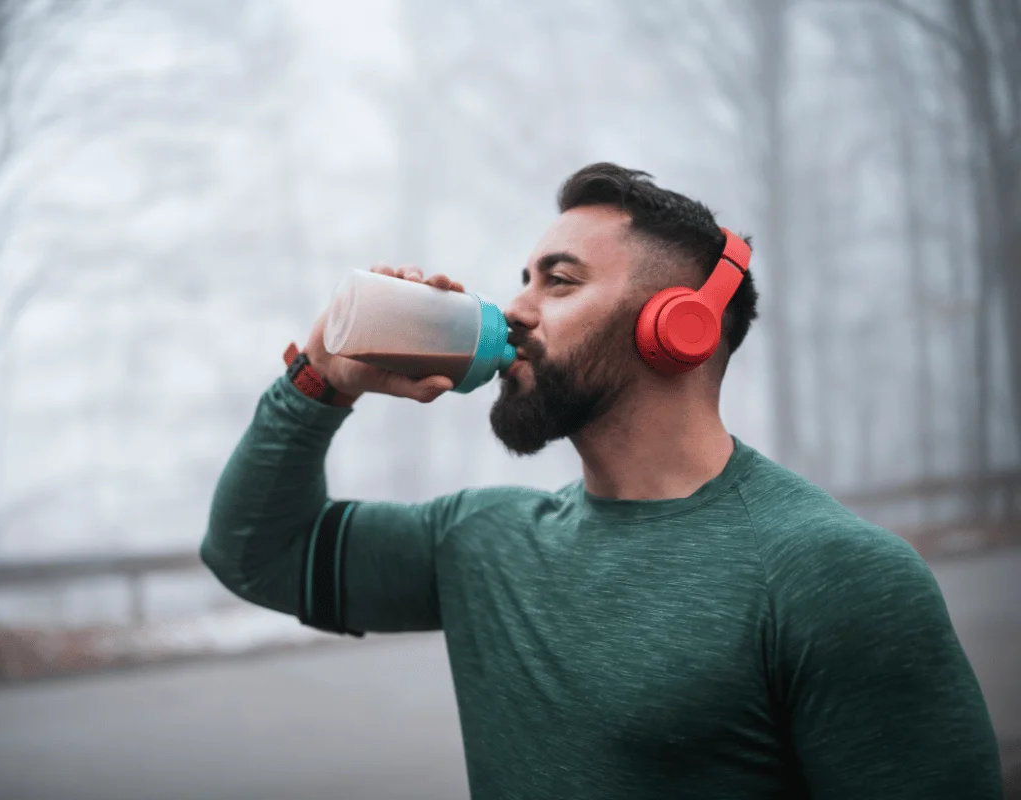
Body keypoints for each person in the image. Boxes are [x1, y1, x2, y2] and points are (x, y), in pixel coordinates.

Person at [201, 163, 1002, 798]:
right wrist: (321, 379)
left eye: (559, 280)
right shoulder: (481, 541)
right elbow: (257, 553)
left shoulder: (833, 576)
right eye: (523, 278)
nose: (514, 310)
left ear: (676, 328)